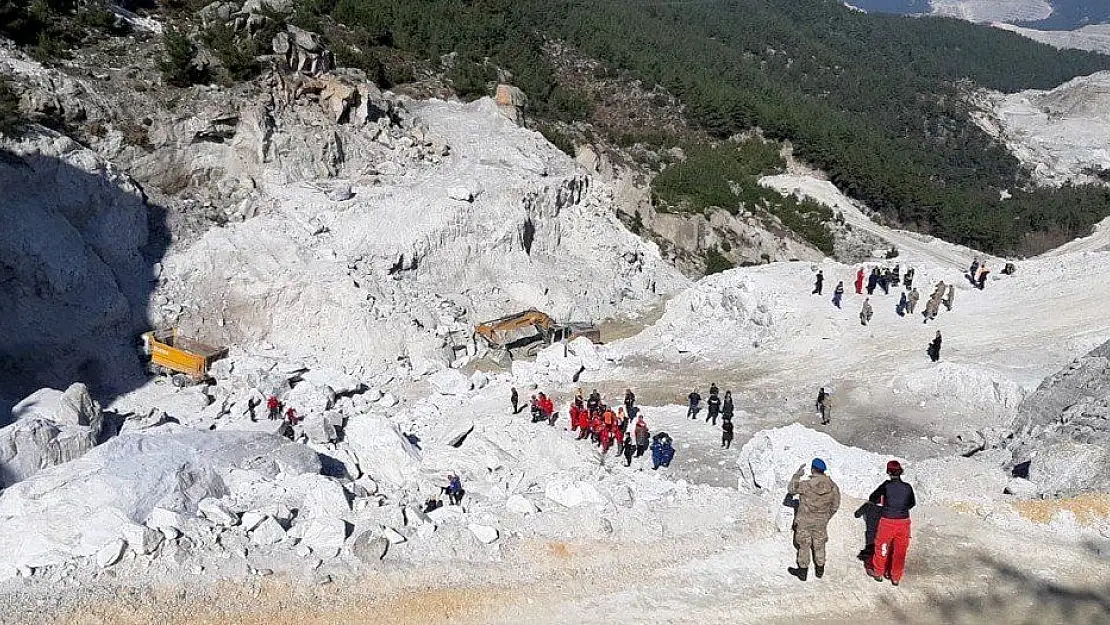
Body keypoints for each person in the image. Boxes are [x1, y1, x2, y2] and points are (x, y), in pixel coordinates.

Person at [787, 458, 841, 581]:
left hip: (804, 521)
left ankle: (802, 572)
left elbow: (791, 489)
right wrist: (826, 517)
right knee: (819, 544)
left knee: (804, 545)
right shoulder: (833, 486)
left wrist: (797, 475)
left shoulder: (806, 485)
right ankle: (819, 570)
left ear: (813, 469)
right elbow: (835, 505)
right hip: (821, 521)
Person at [867, 460, 916, 586]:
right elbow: (912, 504)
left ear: (888, 472)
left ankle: (878, 572)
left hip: (887, 522)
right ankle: (895, 577)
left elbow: (872, 498)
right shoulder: (907, 487)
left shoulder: (886, 486)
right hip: (904, 522)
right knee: (900, 550)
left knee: (882, 547)